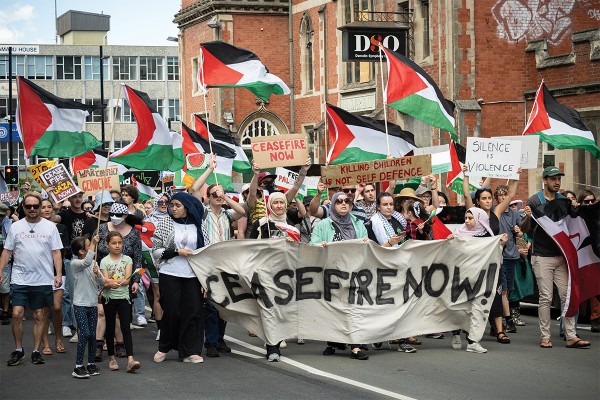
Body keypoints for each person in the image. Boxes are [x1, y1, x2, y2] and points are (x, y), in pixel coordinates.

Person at [520, 166, 590, 349]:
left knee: (567, 295)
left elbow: (573, 223)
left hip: (562, 256)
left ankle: (571, 335)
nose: (557, 182)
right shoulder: (535, 200)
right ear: (545, 180)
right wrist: (527, 217)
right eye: (553, 179)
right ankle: (545, 336)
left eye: (559, 178)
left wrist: (576, 209)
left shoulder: (563, 200)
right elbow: (525, 229)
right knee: (546, 297)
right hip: (542, 256)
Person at [189, 157, 245, 357]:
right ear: (209, 197)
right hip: (208, 262)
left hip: (226, 263)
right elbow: (194, 189)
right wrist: (209, 168)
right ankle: (211, 341)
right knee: (211, 305)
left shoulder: (227, 214)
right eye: (215, 195)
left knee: (225, 304)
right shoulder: (203, 213)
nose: (218, 198)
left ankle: (220, 338)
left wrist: (227, 196)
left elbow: (242, 211)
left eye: (219, 195)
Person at [0, 192, 63, 366]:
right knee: (16, 314)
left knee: (39, 315)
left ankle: (36, 350)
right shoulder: (16, 227)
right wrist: (0, 270)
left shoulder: (50, 227)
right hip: (20, 278)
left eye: (36, 206)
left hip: (43, 279)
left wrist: (58, 274)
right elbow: (7, 251)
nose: (33, 209)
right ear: (23, 208)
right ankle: (19, 349)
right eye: (29, 206)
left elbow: (56, 252)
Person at [463, 167, 520, 344]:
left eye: (489, 198)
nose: (488, 201)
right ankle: (470, 328)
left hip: (495, 261)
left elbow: (510, 195)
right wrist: (466, 175)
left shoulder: (496, 213)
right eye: (484, 199)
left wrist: (515, 175)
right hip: (477, 262)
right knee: (474, 295)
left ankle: (500, 330)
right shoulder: (474, 214)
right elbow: (466, 195)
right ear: (478, 202)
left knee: (496, 294)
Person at [311, 191, 370, 360]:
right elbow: (311, 244)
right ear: (333, 205)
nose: (344, 204)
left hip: (354, 272)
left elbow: (366, 243)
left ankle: (355, 346)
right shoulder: (323, 225)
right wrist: (319, 245)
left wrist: (365, 243)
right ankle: (333, 342)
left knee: (353, 308)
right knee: (333, 309)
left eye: (347, 202)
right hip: (331, 273)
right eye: (339, 201)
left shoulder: (358, 224)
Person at [152, 192, 206, 364]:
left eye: (177, 205)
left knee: (193, 311)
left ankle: (191, 350)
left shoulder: (199, 224)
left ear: (187, 207)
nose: (173, 209)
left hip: (193, 274)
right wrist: (177, 252)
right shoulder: (165, 222)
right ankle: (164, 347)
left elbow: (206, 251)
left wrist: (205, 278)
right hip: (170, 272)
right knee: (172, 311)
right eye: (172, 205)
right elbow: (156, 250)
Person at [447, 207, 508, 353]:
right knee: (459, 307)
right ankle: (456, 333)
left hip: (481, 280)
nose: (467, 221)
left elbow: (495, 256)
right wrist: (450, 242)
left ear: (480, 219)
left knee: (478, 309)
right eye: (466, 218)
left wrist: (501, 244)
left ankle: (473, 341)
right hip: (461, 278)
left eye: (470, 218)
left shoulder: (488, 237)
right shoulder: (458, 234)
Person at [248, 191, 298, 361]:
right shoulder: (261, 223)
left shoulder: (291, 226)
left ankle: (279, 336)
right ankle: (272, 347)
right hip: (265, 272)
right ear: (270, 205)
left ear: (285, 205)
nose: (278, 206)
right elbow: (250, 247)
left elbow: (298, 251)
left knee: (282, 308)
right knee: (268, 308)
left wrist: (293, 245)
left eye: (281, 203)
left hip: (285, 274)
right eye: (275, 202)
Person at [96, 202, 142, 360]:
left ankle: (120, 344)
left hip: (124, 279)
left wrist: (135, 280)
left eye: (118, 215)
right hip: (102, 275)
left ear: (125, 216)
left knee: (120, 316)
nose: (114, 218)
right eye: (112, 215)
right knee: (101, 312)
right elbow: (93, 252)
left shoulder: (134, 233)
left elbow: (137, 260)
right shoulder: (101, 229)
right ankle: (99, 345)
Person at [99, 231, 141, 372]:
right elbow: (104, 281)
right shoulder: (104, 261)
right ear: (107, 244)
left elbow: (127, 280)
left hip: (124, 298)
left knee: (125, 328)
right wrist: (109, 282)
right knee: (110, 329)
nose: (117, 246)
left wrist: (111, 282)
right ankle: (111, 358)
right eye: (114, 243)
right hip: (109, 299)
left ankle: (130, 359)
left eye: (119, 243)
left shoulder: (127, 259)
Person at [70, 234, 105, 378]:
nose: (91, 245)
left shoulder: (93, 263)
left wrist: (98, 274)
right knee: (84, 333)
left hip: (92, 304)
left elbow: (102, 282)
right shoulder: (75, 263)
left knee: (92, 335)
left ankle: (90, 364)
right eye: (88, 244)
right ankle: (78, 366)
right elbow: (85, 263)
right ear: (81, 251)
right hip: (80, 304)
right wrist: (94, 245)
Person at [40, 199, 69, 355]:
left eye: (49, 207)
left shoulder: (61, 228)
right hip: (40, 273)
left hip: (58, 271)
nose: (46, 210)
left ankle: (58, 338)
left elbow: (61, 250)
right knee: (44, 309)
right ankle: (45, 343)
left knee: (56, 308)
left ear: (53, 209)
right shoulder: (34, 229)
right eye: (43, 207)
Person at [0, 203, 13, 325]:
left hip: (4, 260)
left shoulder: (8, 224)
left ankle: (5, 311)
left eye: (2, 216)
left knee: (5, 288)